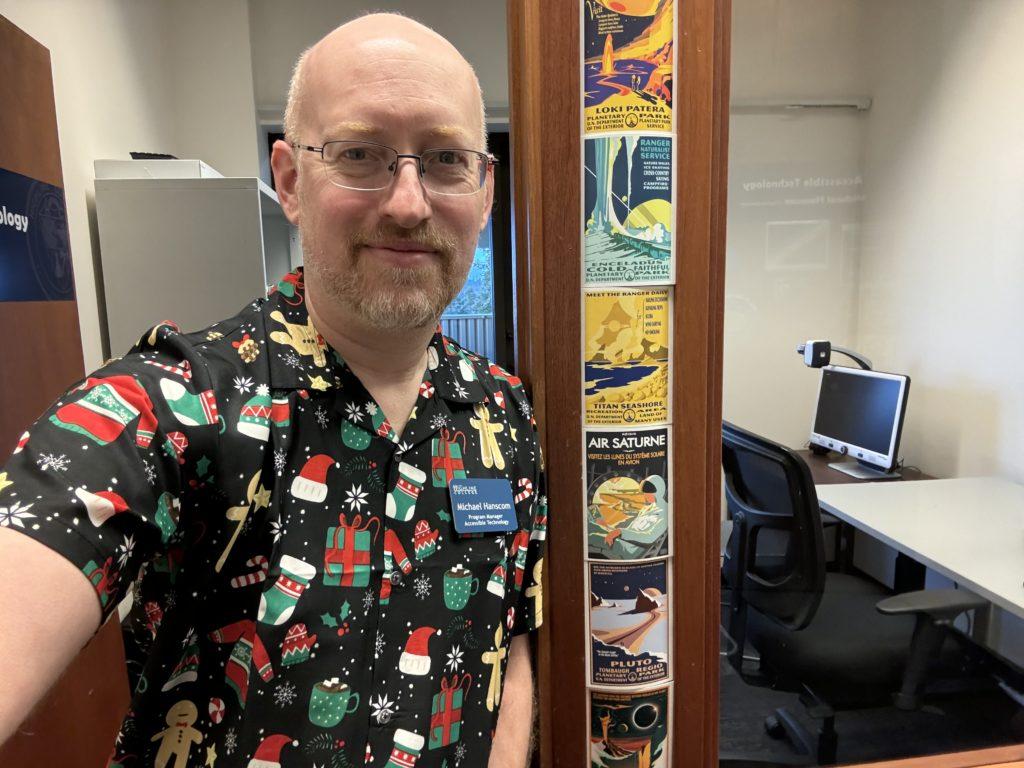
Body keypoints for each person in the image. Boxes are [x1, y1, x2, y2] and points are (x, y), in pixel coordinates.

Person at [0, 13, 545, 768]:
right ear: (291, 181)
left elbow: (507, 639)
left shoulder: (505, 413)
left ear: (484, 191)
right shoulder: (180, 401)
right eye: (361, 154)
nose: (410, 204)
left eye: (446, 160)